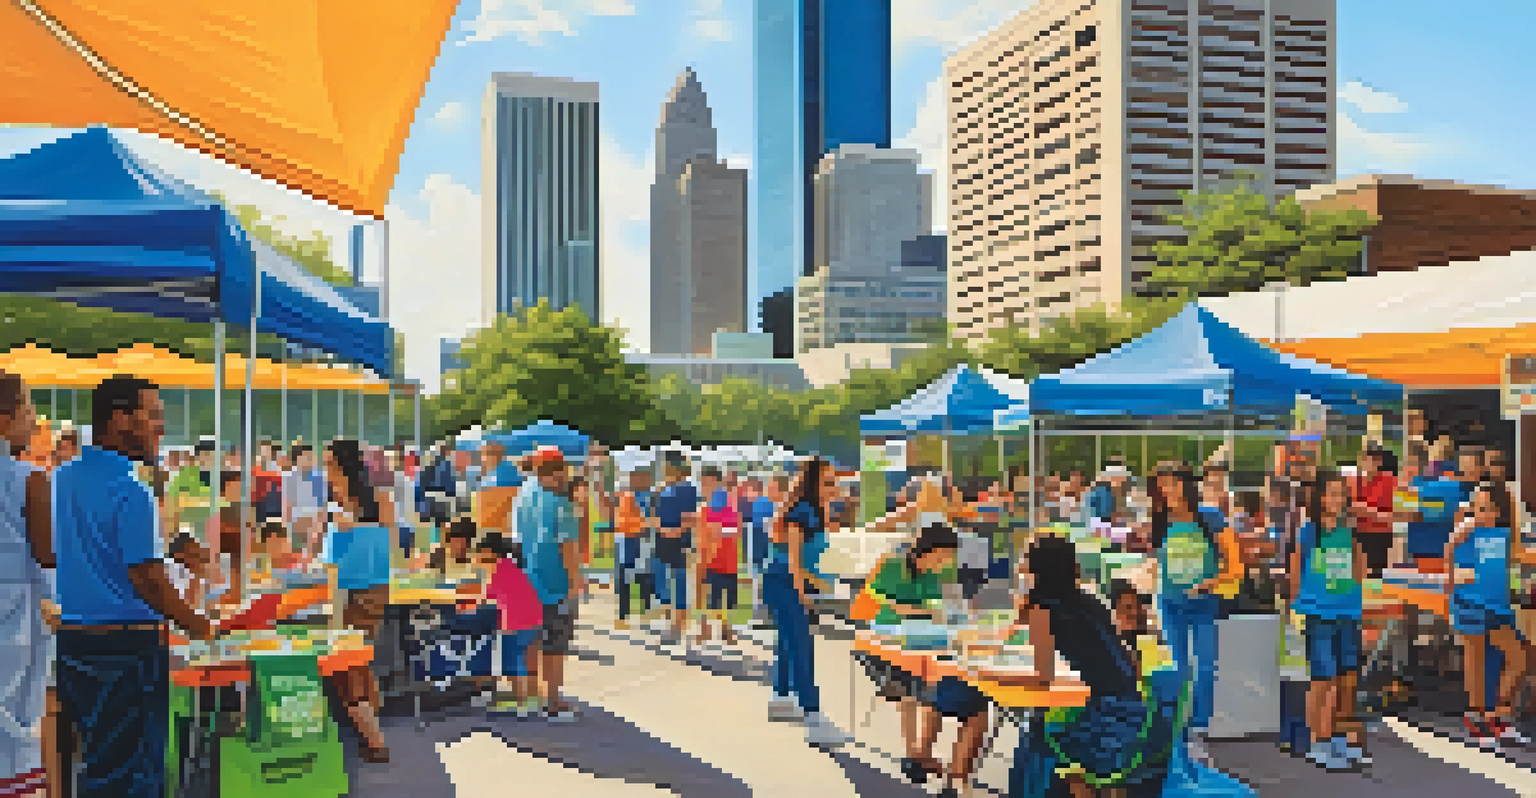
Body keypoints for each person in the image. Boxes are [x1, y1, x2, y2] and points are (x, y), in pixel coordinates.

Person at [54, 376, 214, 798]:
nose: (160, 426)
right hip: (126, 649)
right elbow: (146, 577)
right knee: (133, 775)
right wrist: (199, 624)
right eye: (154, 415)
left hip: (72, 643)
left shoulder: (61, 479)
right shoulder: (132, 491)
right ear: (121, 418)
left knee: (97, 766)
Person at [1015, 535, 1173, 797]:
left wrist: (996, 679)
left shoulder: (1041, 610)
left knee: (1042, 739)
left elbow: (1043, 677)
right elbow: (1131, 661)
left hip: (1107, 725)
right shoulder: (1091, 602)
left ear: (1038, 571)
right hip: (1143, 719)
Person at [861, 523, 990, 794]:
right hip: (889, 636)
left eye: (948, 558)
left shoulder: (936, 573)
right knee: (913, 688)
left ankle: (919, 755)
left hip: (924, 637)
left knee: (936, 680)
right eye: (942, 556)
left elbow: (937, 606)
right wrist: (919, 611)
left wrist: (946, 615)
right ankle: (917, 755)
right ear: (927, 550)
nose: (945, 563)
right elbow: (879, 600)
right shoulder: (894, 564)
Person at [1149, 462, 1241, 764]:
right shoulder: (1159, 519)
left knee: (1204, 667)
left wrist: (1210, 583)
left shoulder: (1210, 517)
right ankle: (1177, 733)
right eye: (1162, 484)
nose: (1166, 490)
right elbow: (1157, 561)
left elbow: (1235, 564)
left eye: (1172, 483)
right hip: (1169, 603)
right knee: (1178, 669)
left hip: (1204, 603)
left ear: (1187, 485)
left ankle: (1198, 730)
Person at [764, 457, 848, 747]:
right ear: (813, 484)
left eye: (834, 481)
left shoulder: (818, 510)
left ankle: (781, 697)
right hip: (784, 582)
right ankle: (814, 718)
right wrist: (803, 594)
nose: (834, 486)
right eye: (827, 482)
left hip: (788, 582)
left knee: (788, 642)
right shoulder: (801, 511)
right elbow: (794, 560)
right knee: (801, 646)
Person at [1290, 471, 1369, 770]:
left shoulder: (1349, 529)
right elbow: (1296, 566)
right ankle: (1318, 742)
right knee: (1322, 680)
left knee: (1346, 679)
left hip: (1347, 613)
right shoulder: (1309, 530)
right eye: (1331, 493)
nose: (1336, 499)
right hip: (1318, 613)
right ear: (1319, 497)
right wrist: (1297, 604)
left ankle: (1338, 738)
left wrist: (1356, 595)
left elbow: (1359, 565)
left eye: (1341, 493)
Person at [322, 438, 394, 763]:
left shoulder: (360, 500)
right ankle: (372, 730)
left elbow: (387, 535)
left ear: (341, 465)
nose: (325, 470)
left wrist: (356, 528)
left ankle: (376, 742)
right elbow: (388, 539)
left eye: (328, 463)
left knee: (349, 663)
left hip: (353, 591)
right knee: (358, 660)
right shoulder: (352, 499)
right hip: (367, 587)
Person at [0, 373, 53, 798]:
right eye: (28, 408)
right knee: (18, 720)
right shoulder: (30, 479)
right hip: (16, 614)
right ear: (5, 421)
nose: (34, 420)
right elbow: (50, 554)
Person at [1447, 482, 1530, 749]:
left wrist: (1512, 498)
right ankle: (1477, 718)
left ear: (1498, 510)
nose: (1481, 513)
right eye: (1477, 507)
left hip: (1498, 607)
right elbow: (1449, 551)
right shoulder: (1467, 530)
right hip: (1470, 603)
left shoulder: (1503, 534)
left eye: (1487, 508)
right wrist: (1451, 584)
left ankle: (1497, 715)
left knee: (1518, 658)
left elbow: (1517, 544)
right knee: (1475, 662)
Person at [516, 447, 582, 721]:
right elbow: (568, 548)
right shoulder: (560, 504)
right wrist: (575, 583)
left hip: (527, 579)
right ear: (555, 472)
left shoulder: (523, 495)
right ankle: (553, 700)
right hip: (555, 582)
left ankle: (530, 695)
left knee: (531, 641)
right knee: (555, 644)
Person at [479, 532, 545, 717]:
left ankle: (518, 701)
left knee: (511, 662)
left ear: (490, 552)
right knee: (526, 660)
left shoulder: (497, 569)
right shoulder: (512, 564)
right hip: (534, 617)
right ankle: (531, 698)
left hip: (516, 621)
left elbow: (486, 598)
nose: (479, 557)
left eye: (481, 553)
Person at [654, 458, 700, 643]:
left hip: (681, 541)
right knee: (661, 580)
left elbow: (692, 516)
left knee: (680, 581)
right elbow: (653, 514)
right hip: (661, 540)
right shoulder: (659, 490)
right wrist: (661, 529)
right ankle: (667, 616)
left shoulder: (689, 490)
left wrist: (677, 531)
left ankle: (678, 625)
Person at [613, 468, 657, 630]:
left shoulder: (653, 496)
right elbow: (624, 521)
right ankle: (623, 616)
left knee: (645, 579)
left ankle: (646, 613)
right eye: (638, 476)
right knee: (626, 580)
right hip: (628, 542)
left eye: (645, 476)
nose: (643, 479)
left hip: (644, 542)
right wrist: (644, 524)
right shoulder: (626, 496)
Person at [699, 489, 741, 644]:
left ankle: (726, 630)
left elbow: (735, 531)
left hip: (730, 565)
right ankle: (707, 630)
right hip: (712, 563)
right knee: (712, 600)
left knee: (728, 602)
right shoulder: (704, 512)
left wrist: (719, 529)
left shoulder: (732, 513)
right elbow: (702, 538)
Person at [1351, 443, 1397, 579]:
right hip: (1357, 534)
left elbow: (1400, 515)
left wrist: (1371, 512)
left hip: (1380, 536)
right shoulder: (1353, 481)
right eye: (1366, 458)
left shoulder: (1391, 481)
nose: (1369, 462)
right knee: (1357, 574)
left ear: (1379, 461)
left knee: (1376, 576)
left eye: (1374, 459)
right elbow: (1348, 507)